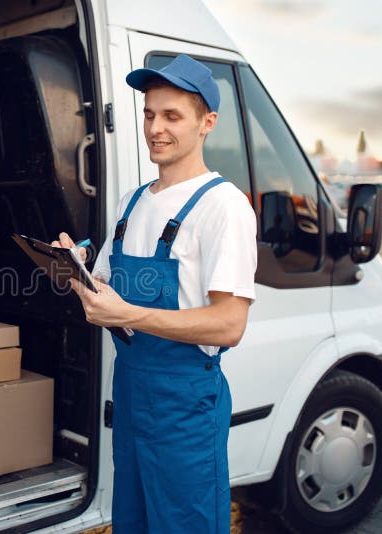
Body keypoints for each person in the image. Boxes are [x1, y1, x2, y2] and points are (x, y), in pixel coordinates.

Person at [52, 54, 257, 533]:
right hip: (131, 391)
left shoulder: (223, 207)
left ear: (207, 123)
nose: (155, 128)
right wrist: (76, 272)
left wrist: (130, 313)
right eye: (149, 114)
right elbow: (107, 291)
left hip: (185, 402)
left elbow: (229, 324)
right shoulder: (133, 202)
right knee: (133, 521)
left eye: (172, 116)